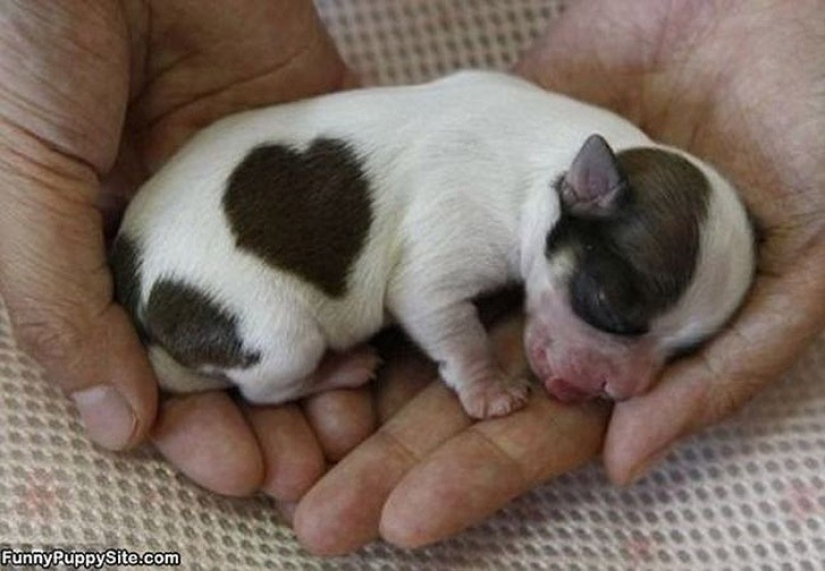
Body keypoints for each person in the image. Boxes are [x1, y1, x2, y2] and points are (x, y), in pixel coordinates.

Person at [1, 0, 822, 555]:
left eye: (676, 343)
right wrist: (476, 373)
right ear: (579, 192)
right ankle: (278, 381)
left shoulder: (532, 131)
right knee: (283, 346)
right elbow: (419, 290)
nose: (632, 379)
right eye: (608, 310)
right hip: (212, 293)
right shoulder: (476, 185)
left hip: (190, 223)